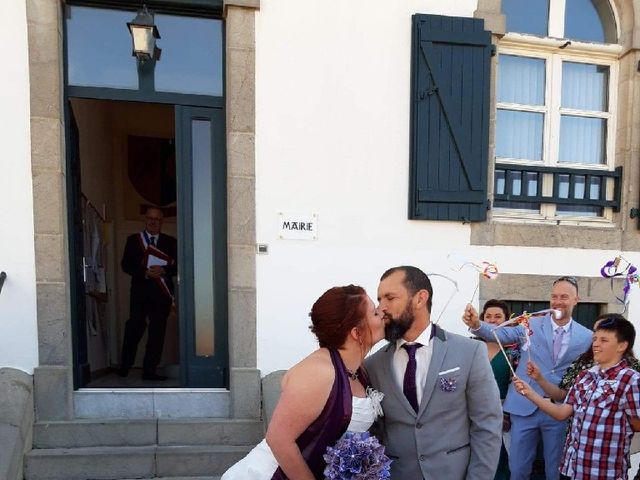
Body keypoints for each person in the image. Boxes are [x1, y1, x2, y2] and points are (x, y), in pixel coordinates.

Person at [222, 285, 386, 480]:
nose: (383, 313)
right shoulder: (318, 372)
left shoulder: (358, 370)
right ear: (356, 333)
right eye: (375, 313)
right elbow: (279, 439)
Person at [365, 266, 503, 479]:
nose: (381, 308)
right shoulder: (373, 365)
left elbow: (487, 425)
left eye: (389, 298)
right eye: (379, 299)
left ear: (420, 299)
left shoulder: (469, 352)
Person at [463, 276, 592, 480]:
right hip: (523, 408)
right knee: (519, 469)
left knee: (554, 471)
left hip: (557, 410)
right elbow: (501, 334)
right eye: (554, 296)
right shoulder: (531, 323)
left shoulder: (587, 337)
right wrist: (477, 324)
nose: (558, 301)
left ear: (577, 300)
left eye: (564, 297)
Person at [513, 315, 640, 480]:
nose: (596, 344)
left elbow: (637, 424)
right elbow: (561, 413)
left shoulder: (631, 380)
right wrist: (530, 393)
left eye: (604, 340)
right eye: (595, 339)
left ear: (622, 345)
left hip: (603, 472)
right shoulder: (584, 376)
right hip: (571, 470)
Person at [118, 206, 177, 381]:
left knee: (157, 333)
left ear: (162, 222)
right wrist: (145, 272)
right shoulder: (133, 240)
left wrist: (164, 270)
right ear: (145, 220)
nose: (153, 221)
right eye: (150, 218)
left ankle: (149, 371)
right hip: (139, 293)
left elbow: (179, 265)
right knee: (134, 328)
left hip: (161, 295)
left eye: (157, 219)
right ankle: (125, 366)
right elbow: (126, 265)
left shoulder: (170, 241)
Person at [474, 299, 520, 480]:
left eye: (498, 317)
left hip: (505, 416)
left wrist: (506, 413)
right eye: (488, 316)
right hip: (476, 414)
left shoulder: (515, 352)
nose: (492, 320)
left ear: (507, 320)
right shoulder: (472, 347)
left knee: (503, 461)